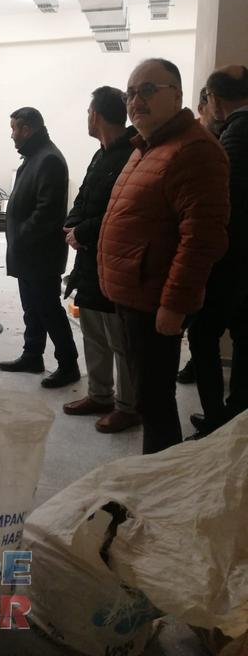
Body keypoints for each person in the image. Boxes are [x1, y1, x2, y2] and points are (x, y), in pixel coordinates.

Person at [98, 59, 230, 454]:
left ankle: (159, 475)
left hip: (154, 299)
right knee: (147, 397)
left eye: (148, 90)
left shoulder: (194, 150)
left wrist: (174, 305)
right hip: (134, 293)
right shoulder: (148, 146)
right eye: (130, 93)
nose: (135, 101)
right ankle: (155, 470)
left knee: (155, 403)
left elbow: (202, 239)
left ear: (177, 95)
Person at [62, 87, 140, 432]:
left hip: (117, 263)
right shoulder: (100, 154)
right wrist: (72, 224)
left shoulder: (133, 154)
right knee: (93, 331)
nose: (87, 118)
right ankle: (100, 394)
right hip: (89, 263)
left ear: (95, 114)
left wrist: (82, 231)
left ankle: (129, 406)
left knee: (120, 340)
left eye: (88, 112)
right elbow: (84, 197)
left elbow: (122, 212)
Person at [186, 65, 248, 437]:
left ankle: (216, 420)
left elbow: (225, 206)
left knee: (202, 335)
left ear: (214, 99)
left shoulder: (235, 135)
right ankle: (236, 412)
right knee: (243, 334)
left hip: (232, 260)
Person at [0, 107, 79, 388]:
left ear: (27, 129)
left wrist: (21, 235)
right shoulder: (35, 156)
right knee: (31, 308)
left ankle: (68, 365)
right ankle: (32, 355)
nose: (12, 135)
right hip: (28, 253)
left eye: (14, 129)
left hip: (40, 254)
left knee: (48, 309)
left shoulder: (49, 159)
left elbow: (47, 212)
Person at [176, 85, 225, 386]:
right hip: (211, 250)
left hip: (218, 252)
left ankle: (217, 410)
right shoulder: (194, 141)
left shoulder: (220, 142)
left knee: (204, 328)